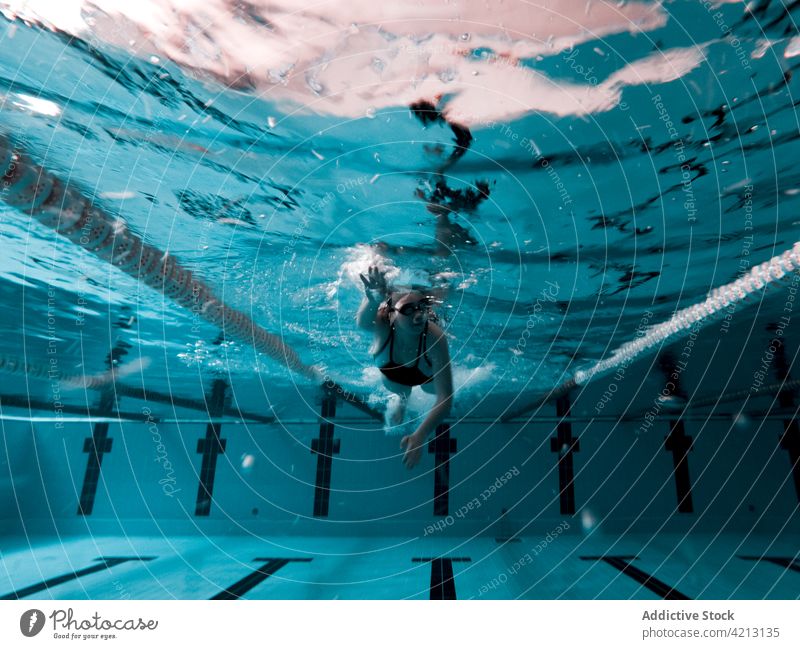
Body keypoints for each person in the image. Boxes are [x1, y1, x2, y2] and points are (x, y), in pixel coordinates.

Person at [356, 266, 453, 469]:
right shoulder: (383, 325)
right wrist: (372, 300)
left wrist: (420, 435)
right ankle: (402, 400)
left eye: (422, 307)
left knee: (429, 388)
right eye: (408, 310)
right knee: (397, 387)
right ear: (393, 315)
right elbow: (362, 323)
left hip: (425, 371)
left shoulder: (435, 337)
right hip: (395, 374)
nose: (418, 315)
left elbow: (445, 397)